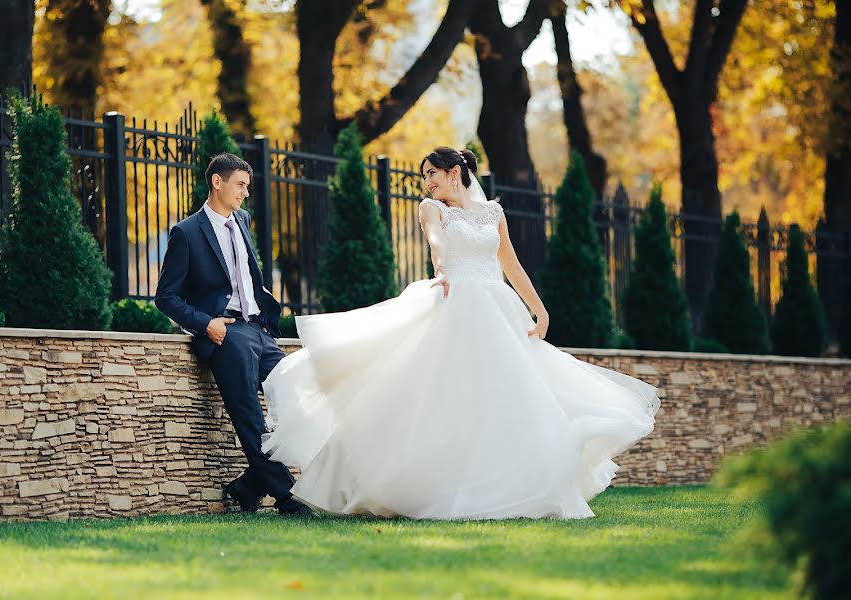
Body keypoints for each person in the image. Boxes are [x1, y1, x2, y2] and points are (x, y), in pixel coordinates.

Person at [261, 146, 661, 520]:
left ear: (456, 173)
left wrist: (539, 310)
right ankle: (435, 485)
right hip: (454, 302)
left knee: (511, 396)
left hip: (497, 310)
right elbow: (436, 242)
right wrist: (441, 270)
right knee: (446, 397)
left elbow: (513, 266)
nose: (426, 182)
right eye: (423, 177)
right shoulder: (431, 208)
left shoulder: (494, 214)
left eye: (431, 174)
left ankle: (510, 484)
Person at [155, 152, 316, 517]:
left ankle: (247, 486)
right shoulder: (186, 232)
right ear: (217, 182)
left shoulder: (241, 220)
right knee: (250, 418)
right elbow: (166, 296)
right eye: (240, 185)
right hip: (225, 332)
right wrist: (204, 322)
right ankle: (287, 498)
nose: (245, 193)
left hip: (259, 329)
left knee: (297, 394)